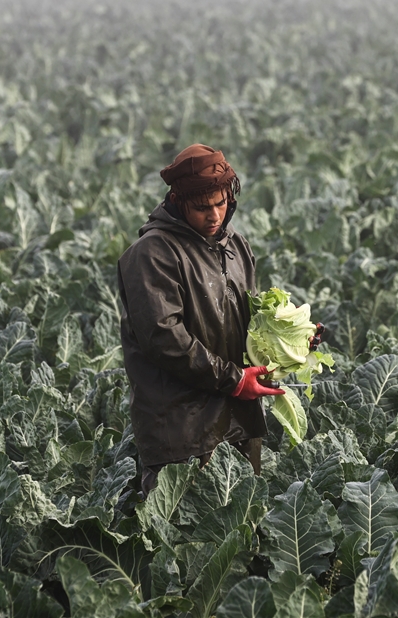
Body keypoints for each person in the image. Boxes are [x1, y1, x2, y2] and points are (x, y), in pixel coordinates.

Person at [117, 143, 284, 495]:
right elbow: (164, 338)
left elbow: (250, 318)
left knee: (242, 531)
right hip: (181, 429)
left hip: (240, 420)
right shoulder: (152, 253)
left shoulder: (235, 245)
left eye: (221, 204)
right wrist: (234, 379)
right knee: (183, 536)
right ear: (177, 202)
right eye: (202, 208)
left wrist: (290, 340)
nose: (215, 216)